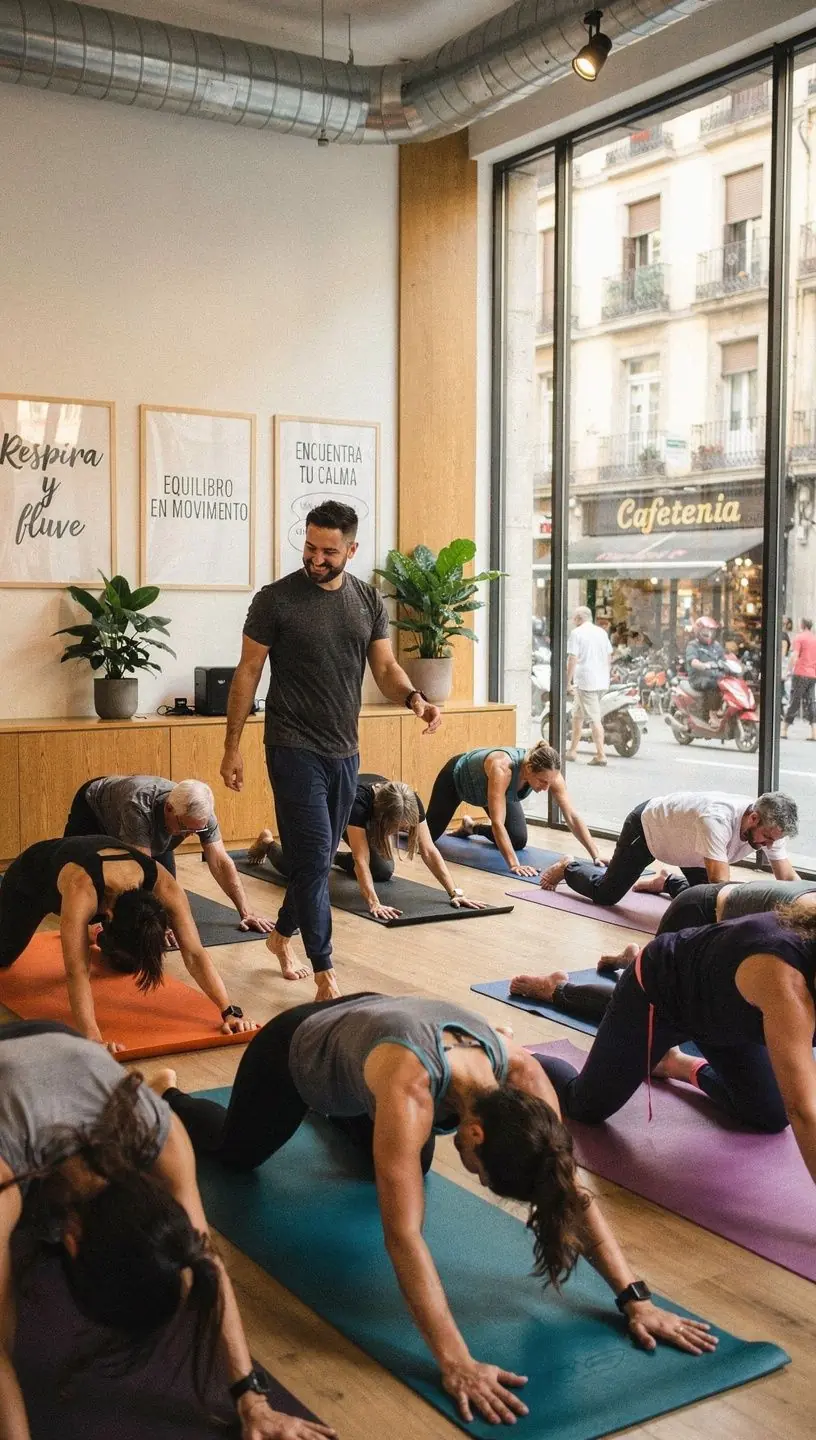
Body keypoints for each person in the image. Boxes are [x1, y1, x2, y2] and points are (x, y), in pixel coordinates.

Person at [153, 993, 716, 1428]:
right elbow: (403, 1236)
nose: (474, 1173)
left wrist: (633, 1297)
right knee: (237, 1155)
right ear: (472, 1132)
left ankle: (350, 1107)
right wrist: (456, 1361)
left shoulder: (522, 1077)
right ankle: (171, 1097)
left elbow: (567, 1189)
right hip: (297, 1046)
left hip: (372, 1029)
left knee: (405, 1166)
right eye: (481, 1169)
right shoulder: (410, 1091)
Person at [0, 1021, 334, 1440]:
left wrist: (252, 1399)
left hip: (67, 1052)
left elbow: (205, 1257)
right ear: (72, 1237)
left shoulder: (159, 1132)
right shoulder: (6, 1170)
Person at [220, 501, 442, 1003]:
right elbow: (247, 673)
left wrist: (413, 698)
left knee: (311, 863)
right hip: (290, 743)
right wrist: (231, 745)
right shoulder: (275, 600)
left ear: (351, 549)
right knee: (317, 855)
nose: (315, 559)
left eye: (327, 552)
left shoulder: (366, 600)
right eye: (309, 548)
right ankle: (326, 973)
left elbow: (385, 668)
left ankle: (280, 935)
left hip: (344, 751)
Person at [535, 907, 816, 1186]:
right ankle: (513, 1051)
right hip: (657, 995)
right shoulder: (785, 982)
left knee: (770, 1114)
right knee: (584, 1107)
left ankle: (675, 1063)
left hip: (724, 1019)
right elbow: (803, 1110)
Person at [0, 836, 256, 1053]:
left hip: (102, 892)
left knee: (130, 961)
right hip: (31, 881)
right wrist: (92, 1038)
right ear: (108, 916)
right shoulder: (83, 889)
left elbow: (194, 953)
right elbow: (76, 970)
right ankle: (86, 933)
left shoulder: (163, 884)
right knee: (4, 955)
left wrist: (229, 1011)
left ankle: (92, 935)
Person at [510, 878, 816, 1024]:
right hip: (699, 914)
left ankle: (633, 960)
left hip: (720, 925)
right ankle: (557, 989)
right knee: (650, 1011)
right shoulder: (803, 924)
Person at [247, 774, 487, 921]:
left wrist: (454, 892)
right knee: (305, 870)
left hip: (368, 817)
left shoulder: (410, 801)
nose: (402, 832)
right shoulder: (357, 805)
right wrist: (373, 902)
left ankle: (333, 859)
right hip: (331, 808)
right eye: (397, 828)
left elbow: (429, 851)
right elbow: (361, 859)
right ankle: (268, 844)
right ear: (383, 818)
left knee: (382, 870)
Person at [64, 774, 273, 934]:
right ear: (170, 809)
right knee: (81, 888)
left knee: (168, 894)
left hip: (147, 823)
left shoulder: (200, 815)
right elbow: (140, 871)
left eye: (197, 830)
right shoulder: (138, 808)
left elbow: (219, 862)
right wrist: (157, 925)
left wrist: (246, 912)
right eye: (185, 828)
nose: (191, 835)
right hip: (94, 806)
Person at [539, 790, 799, 903]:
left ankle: (665, 882)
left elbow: (786, 877)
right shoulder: (717, 819)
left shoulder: (771, 828)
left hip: (691, 850)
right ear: (753, 818)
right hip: (649, 829)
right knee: (606, 894)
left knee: (702, 900)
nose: (769, 845)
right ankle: (568, 867)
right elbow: (720, 884)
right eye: (767, 837)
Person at [426, 742, 604, 878]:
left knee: (517, 839)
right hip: (457, 781)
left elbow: (571, 816)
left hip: (492, 791)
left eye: (550, 781)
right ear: (528, 769)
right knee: (424, 837)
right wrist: (514, 865)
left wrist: (595, 855)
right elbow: (497, 822)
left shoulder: (550, 775)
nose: (547, 787)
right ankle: (404, 823)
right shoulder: (502, 769)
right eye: (542, 781)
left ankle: (471, 827)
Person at [565, 606, 612, 767]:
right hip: (600, 681)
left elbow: (572, 658)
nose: (572, 620)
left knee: (593, 718)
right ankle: (572, 750)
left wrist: (567, 681)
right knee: (577, 715)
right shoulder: (602, 632)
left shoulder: (576, 633)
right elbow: (608, 656)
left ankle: (601, 754)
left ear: (579, 618)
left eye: (573, 617)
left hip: (586, 681)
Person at [684, 616, 726, 718]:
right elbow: (693, 661)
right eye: (705, 630)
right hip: (698, 678)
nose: (708, 633)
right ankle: (712, 714)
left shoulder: (716, 646)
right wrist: (703, 665)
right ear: (698, 630)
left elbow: (724, 660)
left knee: (728, 683)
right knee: (712, 684)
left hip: (715, 675)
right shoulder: (693, 645)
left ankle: (724, 709)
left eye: (711, 630)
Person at [781, 618, 816, 740]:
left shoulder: (799, 638)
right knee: (811, 702)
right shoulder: (814, 638)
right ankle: (814, 731)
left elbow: (794, 656)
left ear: (802, 625)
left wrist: (787, 671)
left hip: (800, 673)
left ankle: (784, 729)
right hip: (812, 675)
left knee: (795, 701)